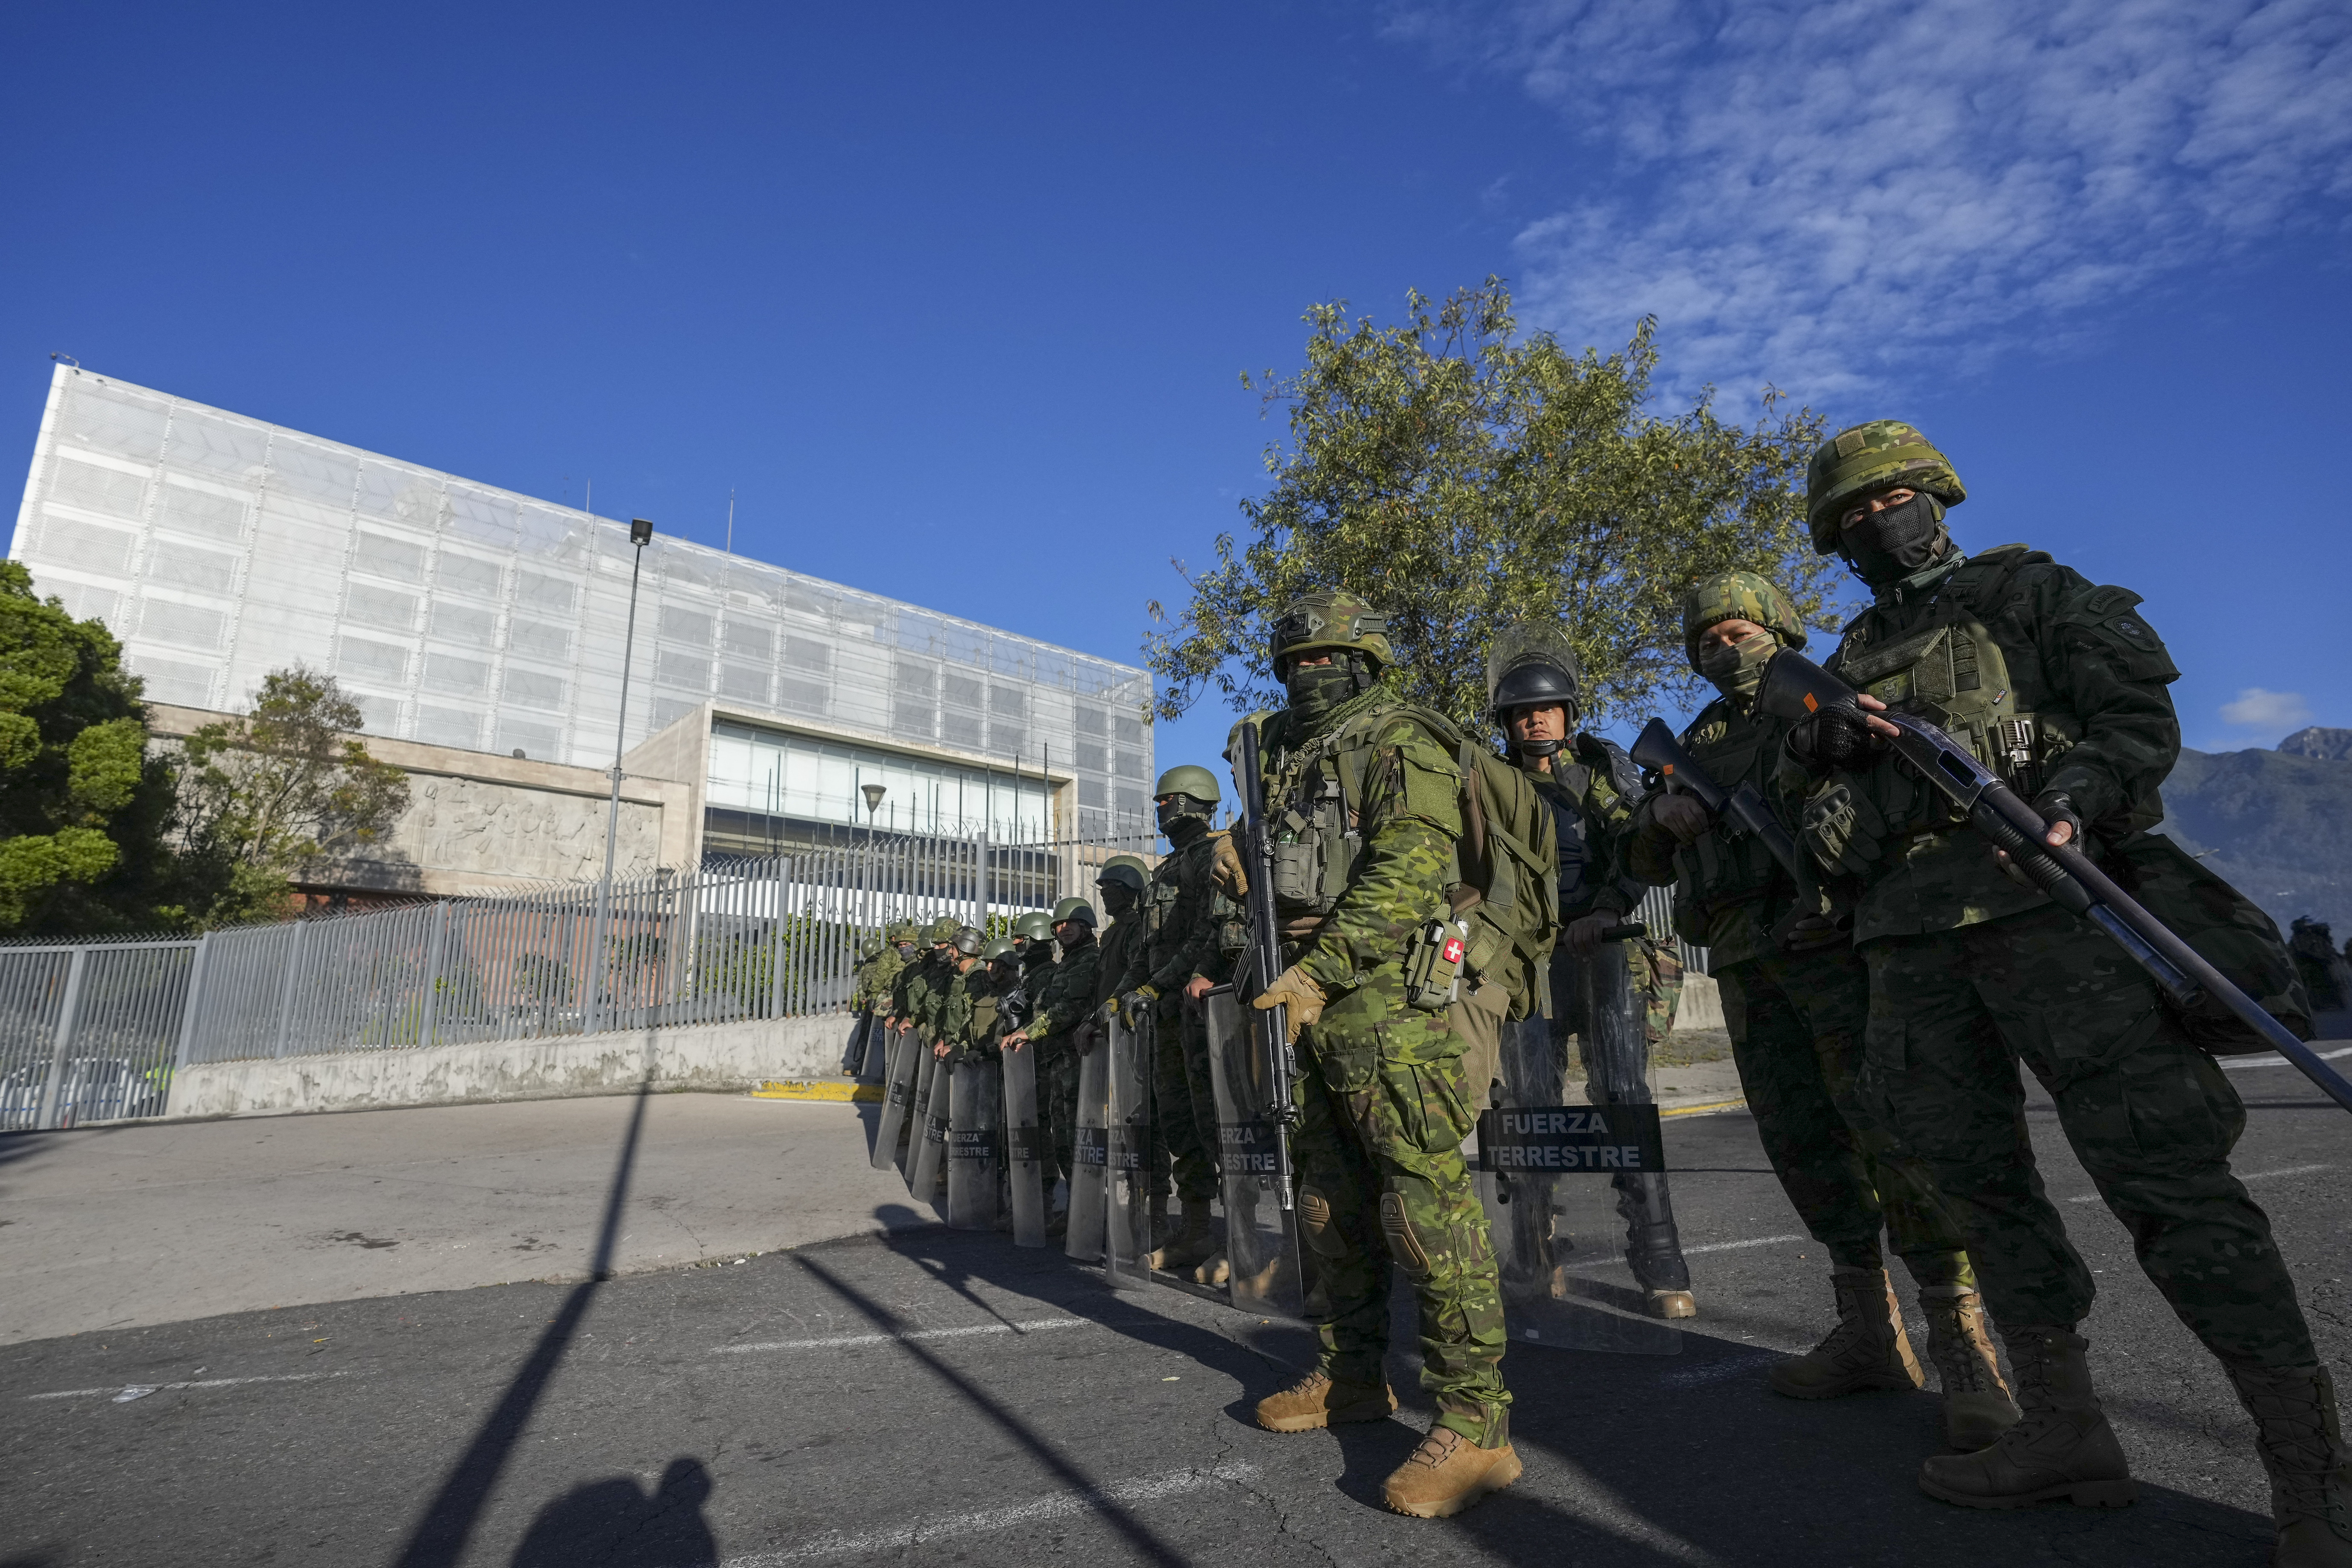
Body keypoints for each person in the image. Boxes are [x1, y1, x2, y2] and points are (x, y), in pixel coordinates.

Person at [1786, 420, 2345, 1559]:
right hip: (1908, 949)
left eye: (1885, 498)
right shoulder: (1842, 661)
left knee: (2168, 1182)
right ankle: (2062, 1427)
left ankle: (2309, 1475)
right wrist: (1826, 769)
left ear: (1931, 494)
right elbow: (1815, 825)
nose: (1870, 522)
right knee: (1973, 1188)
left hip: (2059, 925)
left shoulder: (2031, 595)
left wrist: (2072, 798)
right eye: (1845, 515)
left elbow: (2134, 718)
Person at [1626, 571, 2013, 1450]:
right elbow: (1641, 860)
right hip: (1746, 964)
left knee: (1893, 1143)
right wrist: (1662, 811)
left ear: (1778, 629)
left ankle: (1963, 1349)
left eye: (1739, 633)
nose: (1725, 651)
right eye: (1707, 642)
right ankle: (1869, 1335)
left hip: (1832, 951)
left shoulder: (1824, 704)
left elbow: (1882, 799)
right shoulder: (1694, 738)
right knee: (1802, 1147)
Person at [1240, 589, 1519, 1520]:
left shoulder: (1400, 737)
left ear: (1363, 662)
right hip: (1306, 991)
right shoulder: (1286, 757)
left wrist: (1323, 971)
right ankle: (1351, 1373)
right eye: (1292, 662)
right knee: (1328, 1204)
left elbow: (1410, 866)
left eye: (1324, 659)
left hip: (1384, 995)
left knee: (1422, 1207)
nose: (1305, 675)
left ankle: (1477, 1424)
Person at [1487, 622, 1696, 1320]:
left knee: (1624, 1096)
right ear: (1508, 724)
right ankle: (1533, 1245)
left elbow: (1635, 844)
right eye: (1521, 712)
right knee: (1528, 1104)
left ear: (1568, 713)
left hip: (1601, 954)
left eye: (1546, 707)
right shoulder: (1487, 785)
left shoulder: (1600, 771)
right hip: (1526, 965)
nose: (1534, 718)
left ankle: (1659, 1256)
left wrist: (1607, 908)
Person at [1117, 766, 1234, 1273]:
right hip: (1165, 1017)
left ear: (1191, 802)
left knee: (1220, 1125)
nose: (1160, 811)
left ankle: (1241, 1235)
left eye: (1166, 802)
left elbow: (1211, 934)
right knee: (1181, 1124)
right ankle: (1196, 1231)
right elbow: (1145, 952)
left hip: (1202, 1011)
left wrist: (1157, 984)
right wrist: (1122, 996)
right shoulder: (1164, 870)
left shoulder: (1217, 852)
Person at [1002, 897, 1102, 1238]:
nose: (1064, 928)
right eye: (1059, 925)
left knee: (1081, 1139)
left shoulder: (1090, 960)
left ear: (1087, 925)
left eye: (1071, 923)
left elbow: (1068, 1010)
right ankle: (1078, 1209)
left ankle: (1092, 1214)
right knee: (1064, 1141)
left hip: (1081, 1064)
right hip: (1059, 1063)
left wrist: (1026, 1033)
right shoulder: (1064, 966)